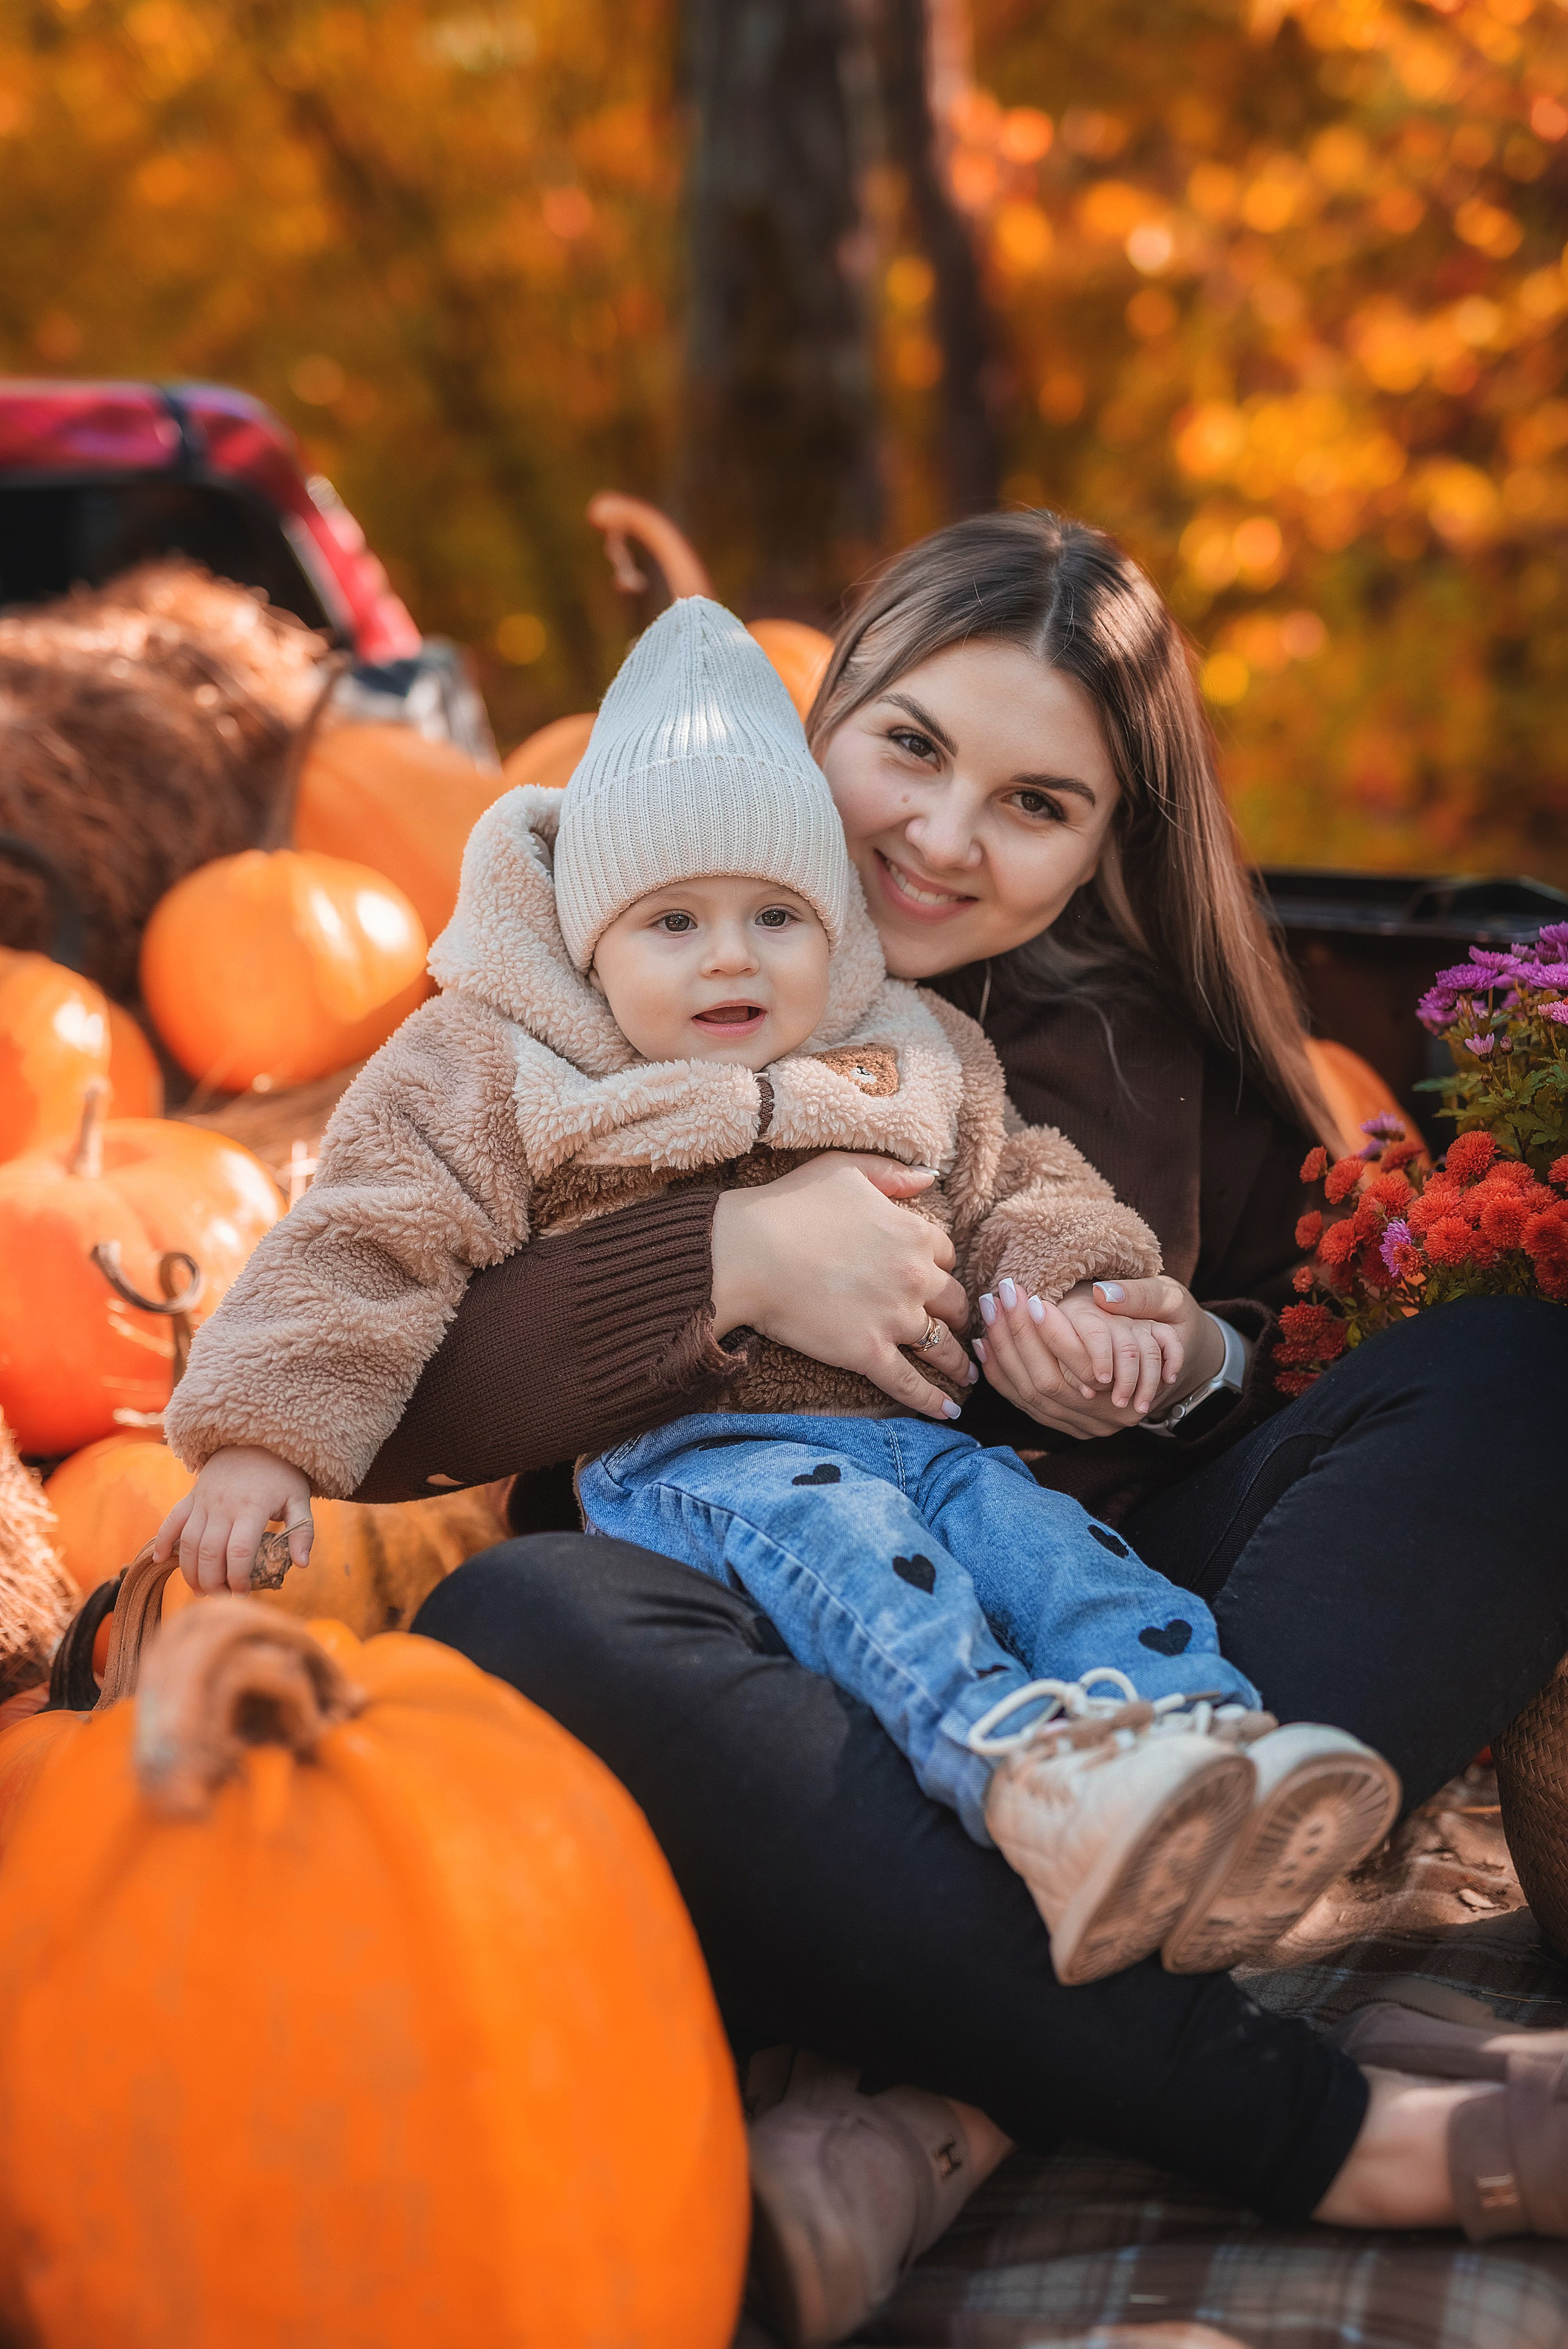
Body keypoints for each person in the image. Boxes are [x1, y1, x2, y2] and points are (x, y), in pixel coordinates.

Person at [244, 516, 1568, 2339]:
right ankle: (1319, 2122)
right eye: (916, 747)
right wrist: (729, 1252)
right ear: (828, 707)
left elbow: (1305, 1383)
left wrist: (1176, 1353)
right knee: (509, 1627)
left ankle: (944, 2106)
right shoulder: (610, 973)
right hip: (777, 1694)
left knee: (1514, 1373)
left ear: (1114, 842)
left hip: (1121, 1670)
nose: (947, 836)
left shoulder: (1160, 1049)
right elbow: (394, 1409)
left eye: (1039, 803)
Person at [154, 592, 1395, 1995]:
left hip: (916, 1443)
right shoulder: (502, 1063)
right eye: (672, 919)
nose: (730, 956)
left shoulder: (909, 1048)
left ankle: (1212, 1756)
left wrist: (1119, 1311)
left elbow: (1024, 1189)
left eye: (773, 917)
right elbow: (360, 1245)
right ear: (585, 933)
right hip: (701, 1462)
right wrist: (260, 1442)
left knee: (1052, 1551)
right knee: (864, 1559)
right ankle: (1028, 1781)